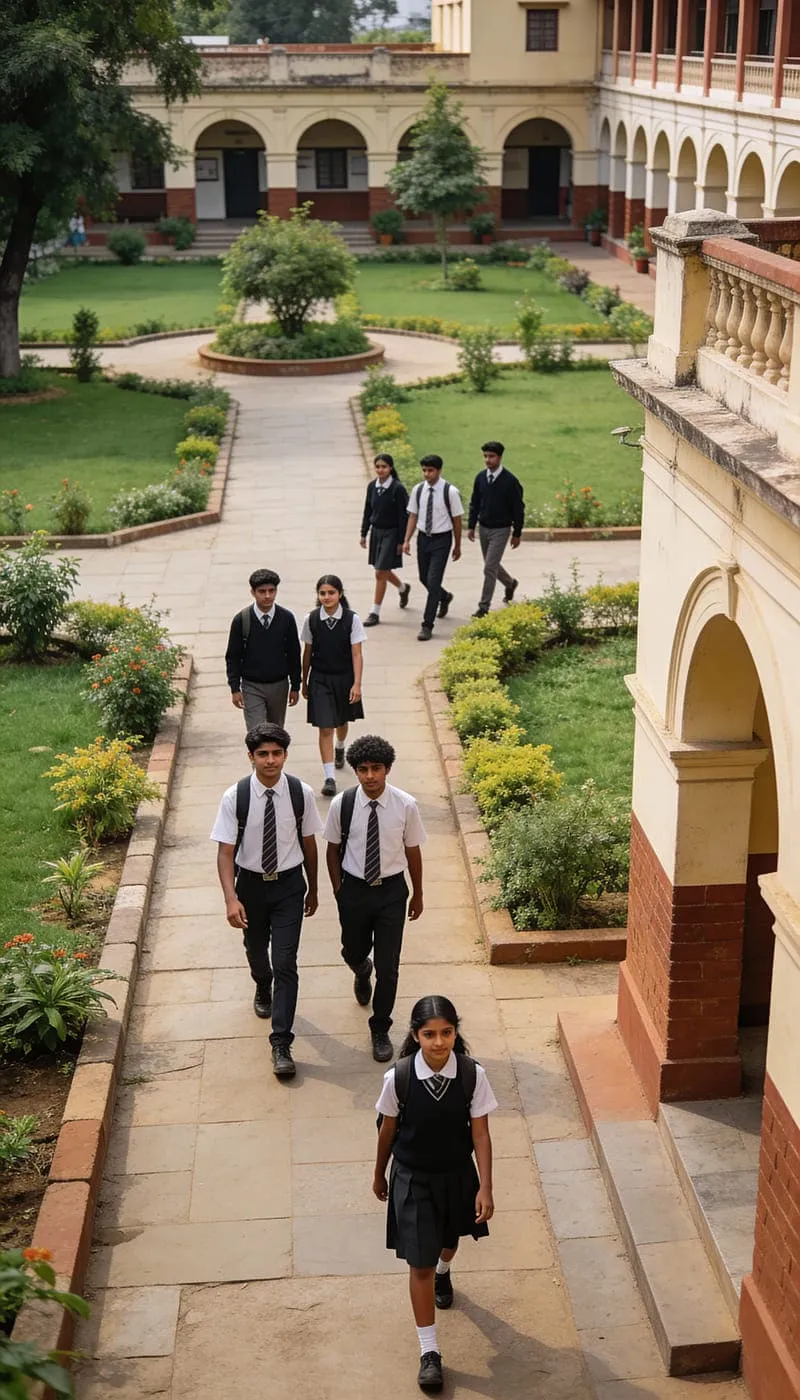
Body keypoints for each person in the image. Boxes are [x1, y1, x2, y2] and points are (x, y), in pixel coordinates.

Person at [373, 996, 497, 1393]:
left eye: (446, 1032)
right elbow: (387, 1131)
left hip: (457, 1175)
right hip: (412, 1179)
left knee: (448, 1241)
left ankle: (446, 1272)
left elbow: (480, 1131)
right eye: (429, 1034)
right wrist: (379, 1175)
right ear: (415, 1035)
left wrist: (486, 1185)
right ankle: (429, 1352)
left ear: (455, 1033)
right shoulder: (400, 1078)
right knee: (420, 1263)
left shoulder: (473, 1075)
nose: (439, 1042)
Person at [210, 723, 323, 1080]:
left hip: (289, 885)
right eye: (263, 754)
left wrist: (314, 888)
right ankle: (262, 981)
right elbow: (226, 853)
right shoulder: (236, 797)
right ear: (251, 757)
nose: (270, 760)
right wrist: (231, 899)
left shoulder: (299, 793)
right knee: (258, 952)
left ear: (285, 755)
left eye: (276, 753)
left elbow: (309, 844)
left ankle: (281, 1042)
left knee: (286, 961)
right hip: (252, 887)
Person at [324, 735, 426, 1063]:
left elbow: (413, 850)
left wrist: (418, 893)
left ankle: (380, 1026)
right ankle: (360, 968)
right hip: (354, 890)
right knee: (352, 949)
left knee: (390, 966)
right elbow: (333, 849)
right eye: (363, 770)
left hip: (391, 893)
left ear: (388, 769)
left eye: (377, 769)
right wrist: (339, 890)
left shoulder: (405, 805)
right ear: (355, 771)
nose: (370, 776)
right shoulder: (344, 804)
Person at [301, 574, 366, 797]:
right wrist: (304, 680)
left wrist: (357, 683)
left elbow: (357, 653)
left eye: (331, 593)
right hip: (320, 678)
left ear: (340, 594)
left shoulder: (351, 619)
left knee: (341, 720)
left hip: (344, 678)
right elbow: (307, 652)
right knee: (325, 726)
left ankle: (341, 746)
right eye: (322, 593)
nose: (327, 597)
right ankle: (329, 776)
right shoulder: (311, 620)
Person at [225, 568, 301, 730]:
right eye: (262, 591)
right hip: (251, 686)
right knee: (257, 731)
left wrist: (295, 686)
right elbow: (233, 656)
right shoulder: (242, 620)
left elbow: (294, 653)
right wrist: (234, 688)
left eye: (271, 591)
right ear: (252, 592)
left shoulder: (286, 618)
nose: (267, 596)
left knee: (275, 731)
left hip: (279, 686)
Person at [403, 456, 463, 642]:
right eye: (424, 470)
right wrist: (407, 540)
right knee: (423, 577)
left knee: (433, 581)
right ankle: (444, 597)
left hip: (441, 539)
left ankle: (427, 625)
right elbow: (413, 515)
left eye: (430, 470)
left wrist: (457, 544)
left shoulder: (450, 492)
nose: (427, 474)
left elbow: (457, 519)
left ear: (439, 470)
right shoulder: (418, 490)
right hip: (424, 538)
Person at [467, 440, 524, 617]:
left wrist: (517, 533)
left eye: (491, 456)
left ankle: (483, 606)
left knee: (489, 567)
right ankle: (510, 583)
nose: (487, 460)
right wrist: (471, 526)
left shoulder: (510, 481)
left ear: (499, 457)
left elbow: (518, 508)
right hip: (484, 528)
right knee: (491, 565)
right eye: (485, 456)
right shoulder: (480, 478)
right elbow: (474, 503)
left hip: (501, 529)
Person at [360, 453, 411, 626]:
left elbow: (403, 516)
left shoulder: (398, 489)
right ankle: (403, 588)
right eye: (378, 467)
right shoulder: (372, 486)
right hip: (376, 532)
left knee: (380, 572)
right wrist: (363, 533)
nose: (380, 470)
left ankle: (375, 612)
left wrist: (402, 541)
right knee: (382, 569)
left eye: (384, 467)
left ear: (390, 468)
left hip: (392, 533)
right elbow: (368, 510)